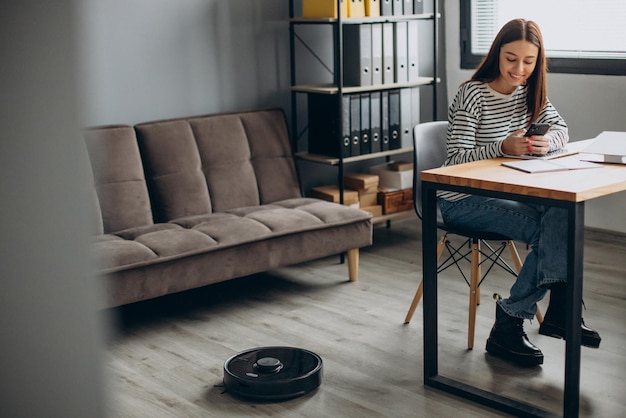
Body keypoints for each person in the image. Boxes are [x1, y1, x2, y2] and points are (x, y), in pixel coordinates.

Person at [438, 18, 601, 367]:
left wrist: (545, 142)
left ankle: (545, 315)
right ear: (497, 53)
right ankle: (530, 315)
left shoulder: (530, 92)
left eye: (529, 61)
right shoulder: (473, 93)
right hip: (461, 199)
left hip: (509, 189)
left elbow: (561, 129)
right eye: (511, 59)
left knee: (562, 210)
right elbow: (454, 161)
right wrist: (502, 146)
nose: (519, 69)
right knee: (555, 231)